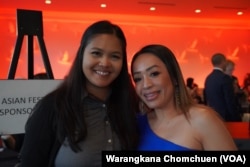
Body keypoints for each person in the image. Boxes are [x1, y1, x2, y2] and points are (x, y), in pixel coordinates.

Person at [18, 20, 139, 167]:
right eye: (96, 53)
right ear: (82, 54)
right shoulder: (52, 107)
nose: (105, 63)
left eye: (115, 56)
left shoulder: (132, 105)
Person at [131, 44, 237, 150]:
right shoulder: (137, 125)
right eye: (138, 79)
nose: (146, 85)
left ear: (174, 77)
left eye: (154, 74)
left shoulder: (202, 120)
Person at [204, 53, 241, 122]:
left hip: (213, 117)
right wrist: (236, 118)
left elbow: (207, 99)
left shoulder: (208, 78)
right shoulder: (225, 78)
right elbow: (229, 101)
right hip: (226, 118)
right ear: (223, 62)